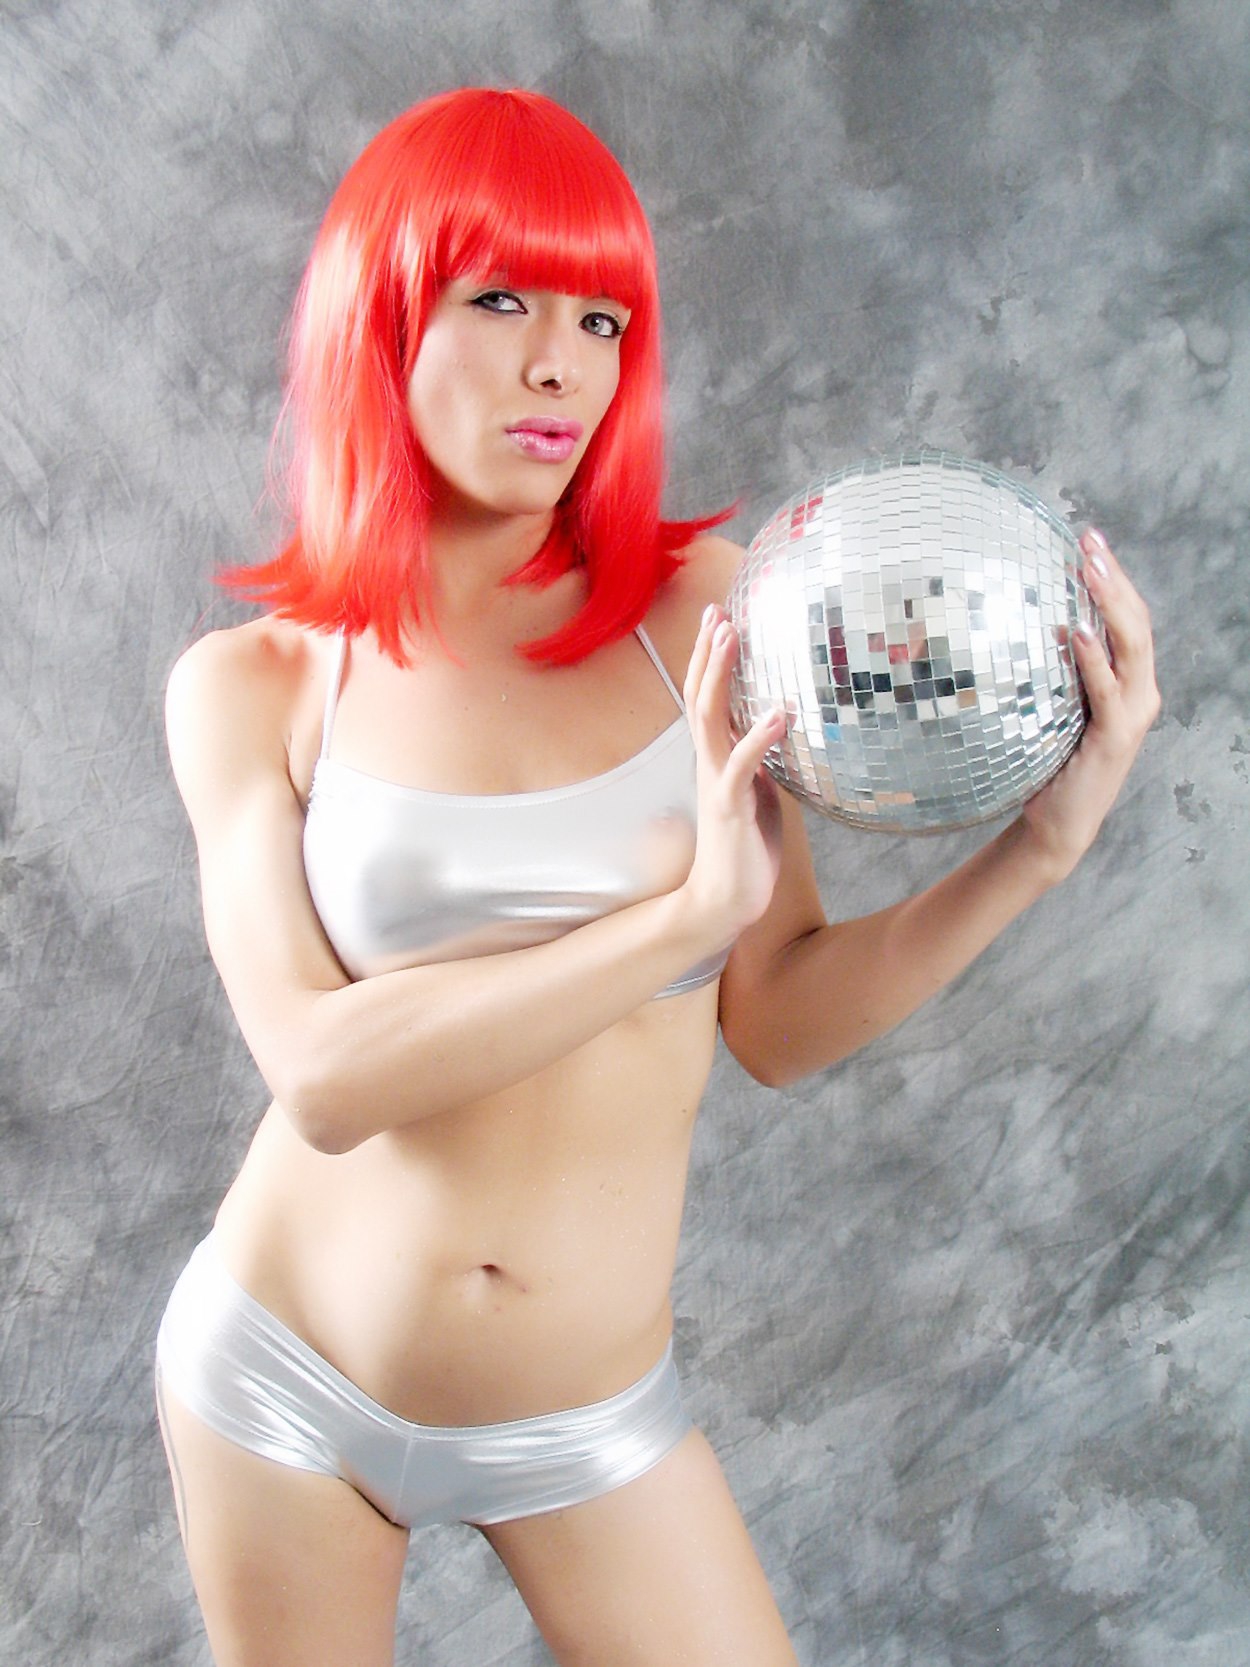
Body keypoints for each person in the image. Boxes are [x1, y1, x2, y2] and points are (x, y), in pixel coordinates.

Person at [156, 87, 1159, 1667]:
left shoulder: (709, 616)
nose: (562, 365)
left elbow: (773, 1021)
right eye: (501, 302)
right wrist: (677, 924)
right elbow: (324, 1078)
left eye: (602, 318)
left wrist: (1038, 849)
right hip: (284, 1378)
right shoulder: (255, 687)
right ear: (380, 320)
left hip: (582, 1414)